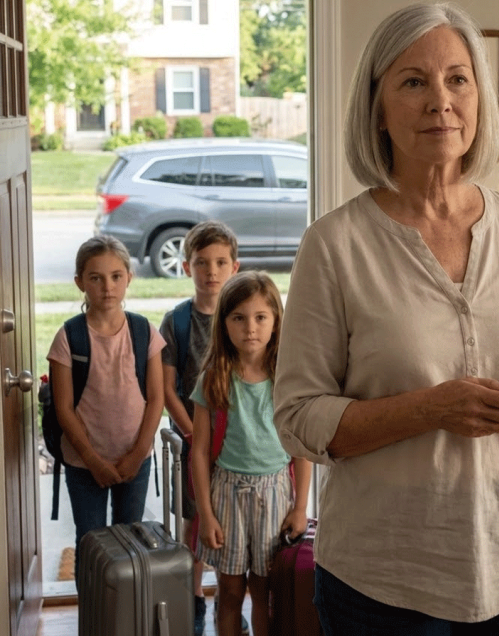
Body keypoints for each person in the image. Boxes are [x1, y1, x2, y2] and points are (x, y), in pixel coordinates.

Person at [273, 1, 499, 635]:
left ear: (480, 100)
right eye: (413, 81)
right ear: (378, 108)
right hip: (385, 580)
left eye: (458, 79)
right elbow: (297, 419)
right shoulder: (334, 244)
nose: (439, 101)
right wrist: (431, 409)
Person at [190, 271, 311, 636]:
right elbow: (197, 452)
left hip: (275, 494)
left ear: (276, 320)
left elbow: (301, 449)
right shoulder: (214, 378)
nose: (250, 328)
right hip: (226, 494)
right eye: (238, 318)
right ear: (224, 322)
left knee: (263, 591)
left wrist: (301, 507)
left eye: (261, 317)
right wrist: (206, 515)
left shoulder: (288, 379)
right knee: (229, 590)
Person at [46, 235, 165, 584]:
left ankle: (127, 614)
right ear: (80, 283)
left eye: (115, 276)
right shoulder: (69, 338)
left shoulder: (145, 332)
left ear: (129, 277)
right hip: (85, 464)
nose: (107, 286)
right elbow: (64, 408)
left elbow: (156, 398)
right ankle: (95, 616)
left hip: (136, 460)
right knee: (92, 542)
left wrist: (138, 453)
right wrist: (94, 461)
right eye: (95, 278)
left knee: (132, 542)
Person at [158, 220, 240, 636]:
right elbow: (168, 387)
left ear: (234, 267)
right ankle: (193, 595)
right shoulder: (176, 322)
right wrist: (194, 433)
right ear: (187, 268)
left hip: (240, 440)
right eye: (202, 262)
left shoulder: (243, 318)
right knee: (196, 519)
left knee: (234, 521)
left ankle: (231, 596)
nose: (212, 271)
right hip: (196, 439)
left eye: (221, 262)